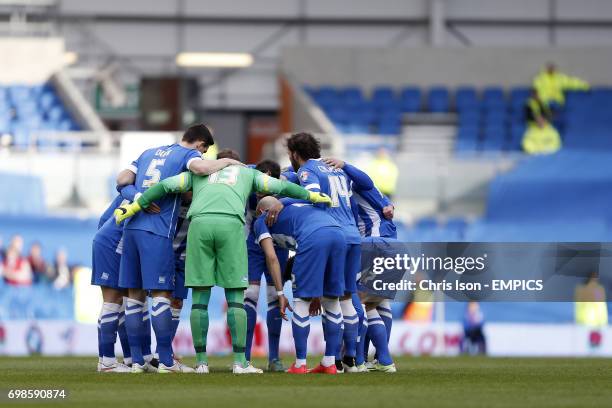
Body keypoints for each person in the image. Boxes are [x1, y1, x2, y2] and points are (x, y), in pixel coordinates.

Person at [114, 152, 331, 374]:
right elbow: (282, 187)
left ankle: (200, 363)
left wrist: (135, 206)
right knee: (236, 297)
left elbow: (165, 185)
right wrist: (312, 197)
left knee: (200, 298)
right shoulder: (248, 173)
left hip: (199, 225)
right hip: (230, 225)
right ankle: (240, 362)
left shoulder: (199, 172)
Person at [115, 123, 239, 374]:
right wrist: (226, 163)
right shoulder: (188, 155)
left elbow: (121, 180)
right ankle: (166, 362)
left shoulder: (149, 152)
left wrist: (139, 197)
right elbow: (202, 168)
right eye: (204, 151)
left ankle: (137, 362)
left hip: (131, 229)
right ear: (200, 145)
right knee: (161, 295)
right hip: (157, 230)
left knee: (134, 297)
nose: (203, 155)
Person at [286, 132, 362, 373]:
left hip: (326, 233)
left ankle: (302, 363)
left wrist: (284, 200)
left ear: (295, 154)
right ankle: (349, 361)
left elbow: (316, 198)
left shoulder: (306, 170)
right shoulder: (337, 168)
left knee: (309, 298)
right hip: (351, 235)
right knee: (345, 299)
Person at [255, 196, 346, 374]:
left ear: (261, 211)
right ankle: (329, 362)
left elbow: (272, 258)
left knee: (301, 302)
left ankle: (300, 364)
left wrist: (281, 294)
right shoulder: (296, 205)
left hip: (313, 238)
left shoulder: (261, 220)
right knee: (332, 301)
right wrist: (316, 294)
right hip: (338, 234)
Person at [322, 157, 397, 372]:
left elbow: (365, 180)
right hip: (391, 243)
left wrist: (344, 164)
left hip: (374, 244)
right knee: (378, 303)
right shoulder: (369, 193)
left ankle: (363, 360)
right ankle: (379, 359)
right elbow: (382, 203)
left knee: (359, 302)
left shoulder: (354, 187)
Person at [242, 158, 289, 372]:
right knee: (250, 294)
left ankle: (274, 357)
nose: (262, 191)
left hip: (277, 245)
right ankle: (244, 357)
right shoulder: (247, 178)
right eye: (261, 184)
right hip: (252, 245)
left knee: (273, 297)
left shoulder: (288, 185)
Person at [522, 88, 562, 155]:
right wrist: (535, 151)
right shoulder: (531, 131)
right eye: (534, 94)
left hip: (547, 156)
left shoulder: (552, 131)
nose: (536, 96)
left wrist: (545, 151)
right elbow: (526, 143)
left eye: (537, 94)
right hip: (534, 155)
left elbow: (556, 144)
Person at [575, 272, 608, 351]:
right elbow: (600, 303)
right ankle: (593, 346)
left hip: (588, 315)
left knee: (591, 331)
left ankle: (593, 345)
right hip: (593, 314)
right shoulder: (597, 289)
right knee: (593, 331)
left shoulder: (582, 289)